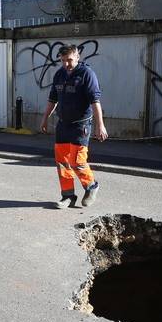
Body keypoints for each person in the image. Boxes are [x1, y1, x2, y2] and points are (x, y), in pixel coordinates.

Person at [40, 45, 108, 208]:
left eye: (69, 60)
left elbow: (95, 101)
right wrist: (44, 119)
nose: (66, 64)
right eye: (63, 60)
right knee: (62, 162)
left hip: (81, 125)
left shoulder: (87, 74)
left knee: (77, 161)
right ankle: (68, 196)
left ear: (78, 57)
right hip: (63, 125)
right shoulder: (59, 74)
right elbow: (52, 99)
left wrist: (100, 125)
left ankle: (91, 186)